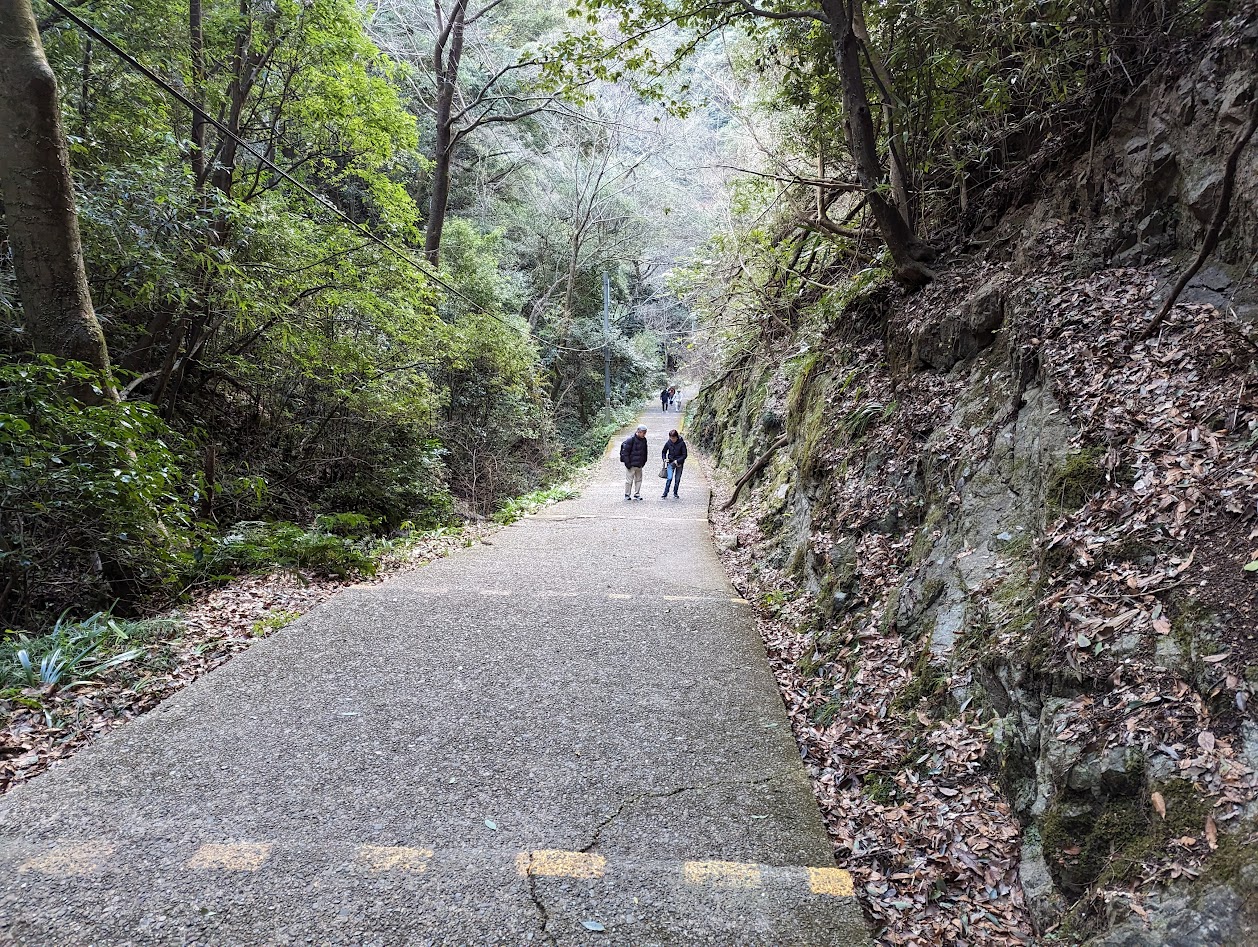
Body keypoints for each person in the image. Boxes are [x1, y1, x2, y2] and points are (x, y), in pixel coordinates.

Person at [619, 424, 648, 500]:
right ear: (638, 431)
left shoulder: (644, 440)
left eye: (645, 432)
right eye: (643, 432)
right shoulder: (630, 440)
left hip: (639, 464)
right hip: (631, 464)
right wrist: (627, 464)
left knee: (639, 480)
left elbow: (645, 452)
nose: (644, 434)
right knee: (629, 481)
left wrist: (644, 461)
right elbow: (625, 453)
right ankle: (627, 494)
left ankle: (637, 494)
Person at [661, 428, 687, 498]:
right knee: (669, 478)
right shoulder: (668, 442)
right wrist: (664, 459)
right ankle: (665, 493)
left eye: (674, 438)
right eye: (671, 438)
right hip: (670, 462)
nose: (672, 439)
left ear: (677, 437)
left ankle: (675, 493)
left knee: (677, 479)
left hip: (679, 463)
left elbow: (685, 455)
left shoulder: (682, 443)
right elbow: (664, 451)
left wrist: (678, 461)